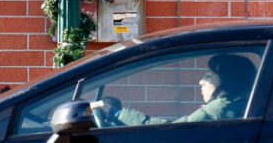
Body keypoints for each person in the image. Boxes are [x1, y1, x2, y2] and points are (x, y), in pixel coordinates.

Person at [92, 53, 256, 126]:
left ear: (226, 82)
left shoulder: (219, 109)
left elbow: (169, 131)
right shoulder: (234, 104)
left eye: (209, 76)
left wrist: (116, 113)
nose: (201, 81)